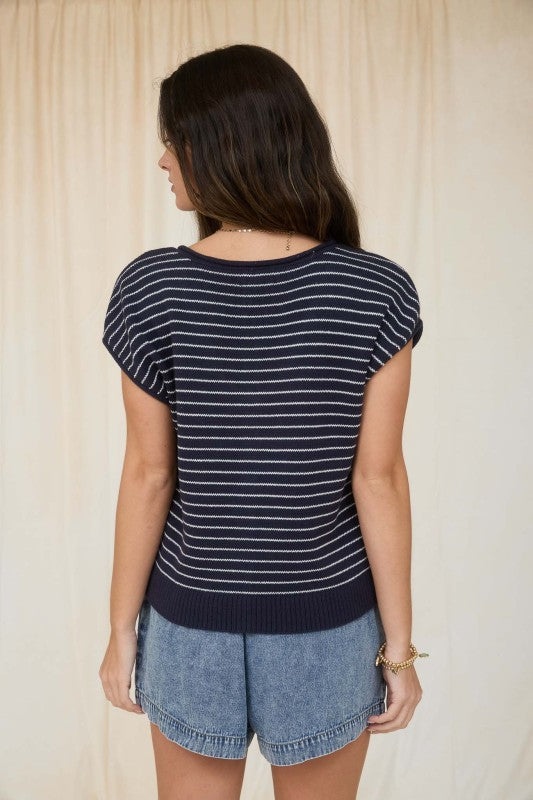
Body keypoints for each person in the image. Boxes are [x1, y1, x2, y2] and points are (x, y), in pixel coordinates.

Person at [98, 43, 427, 800]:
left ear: (221, 145)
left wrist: (120, 630)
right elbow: (377, 478)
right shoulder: (375, 289)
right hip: (327, 624)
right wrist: (400, 652)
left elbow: (149, 474)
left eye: (174, 140)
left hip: (189, 626)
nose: (162, 159)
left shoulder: (151, 287)